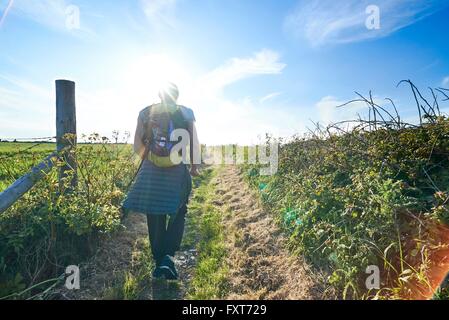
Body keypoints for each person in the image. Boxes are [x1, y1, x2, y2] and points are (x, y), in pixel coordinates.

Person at [123, 82, 200, 280]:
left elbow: (137, 145)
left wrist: (153, 159)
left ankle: (159, 261)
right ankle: (168, 257)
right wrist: (194, 166)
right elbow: (193, 141)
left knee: (154, 212)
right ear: (177, 95)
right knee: (179, 210)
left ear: (159, 95)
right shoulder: (186, 113)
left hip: (151, 172)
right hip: (177, 170)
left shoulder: (145, 112)